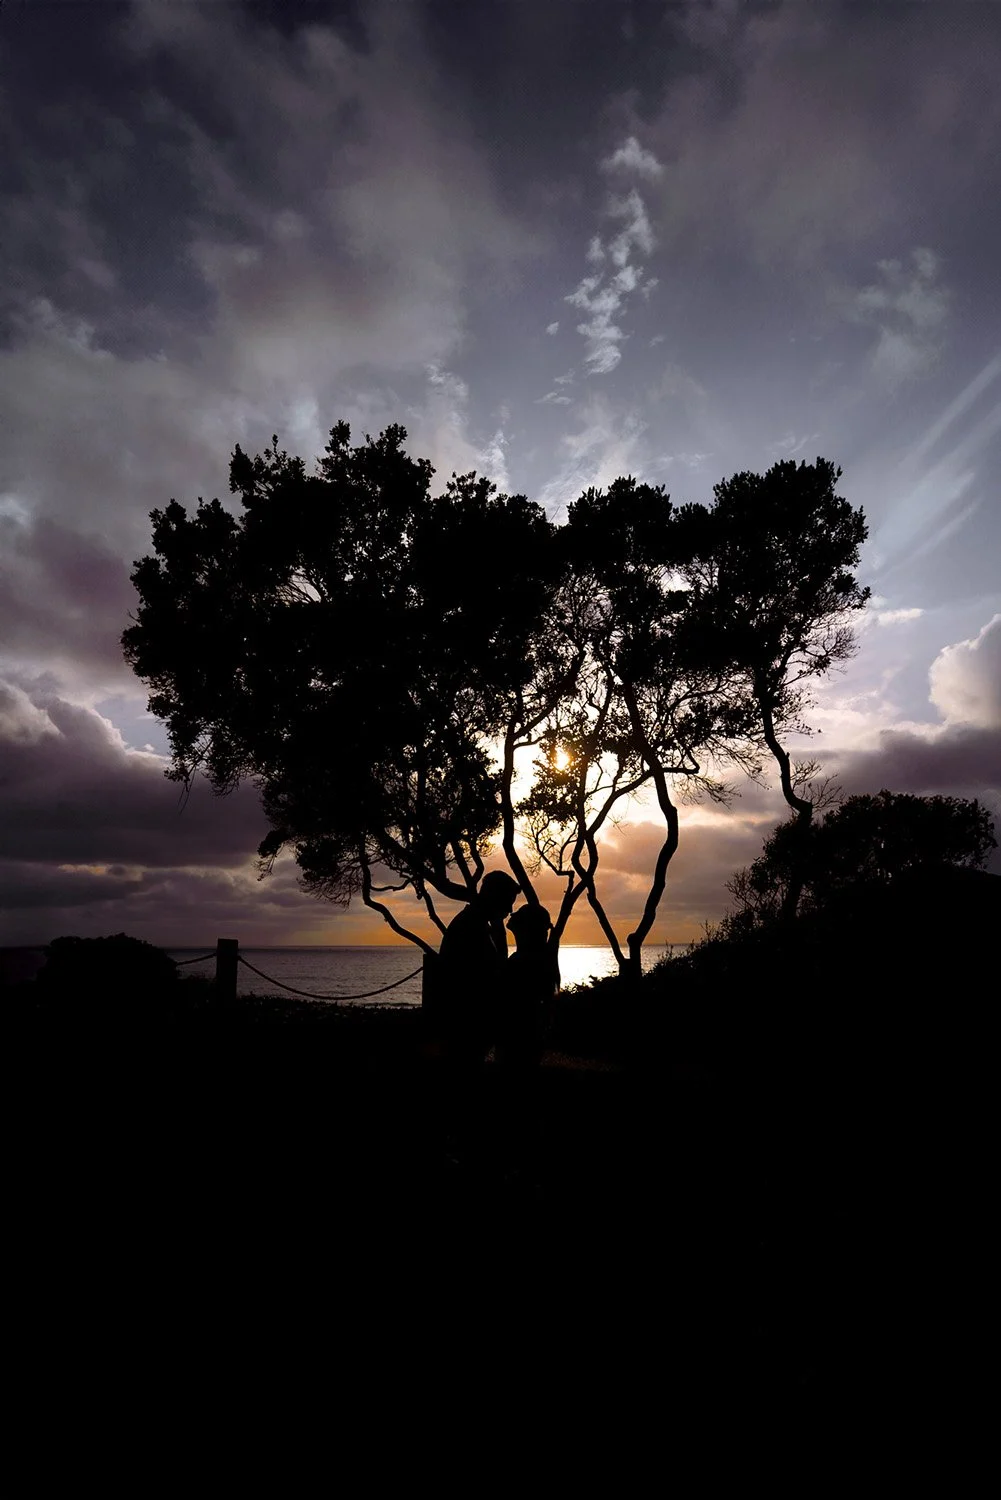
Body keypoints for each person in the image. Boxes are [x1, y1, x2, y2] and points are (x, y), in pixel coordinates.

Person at [434, 868, 520, 1068]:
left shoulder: (475, 924)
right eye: (508, 901)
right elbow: (492, 972)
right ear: (495, 897)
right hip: (465, 1024)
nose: (510, 909)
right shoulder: (471, 927)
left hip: (466, 1022)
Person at [496, 902, 559, 1071]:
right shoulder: (537, 958)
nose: (511, 914)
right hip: (526, 1039)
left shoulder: (524, 962)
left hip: (518, 1039)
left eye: (519, 914)